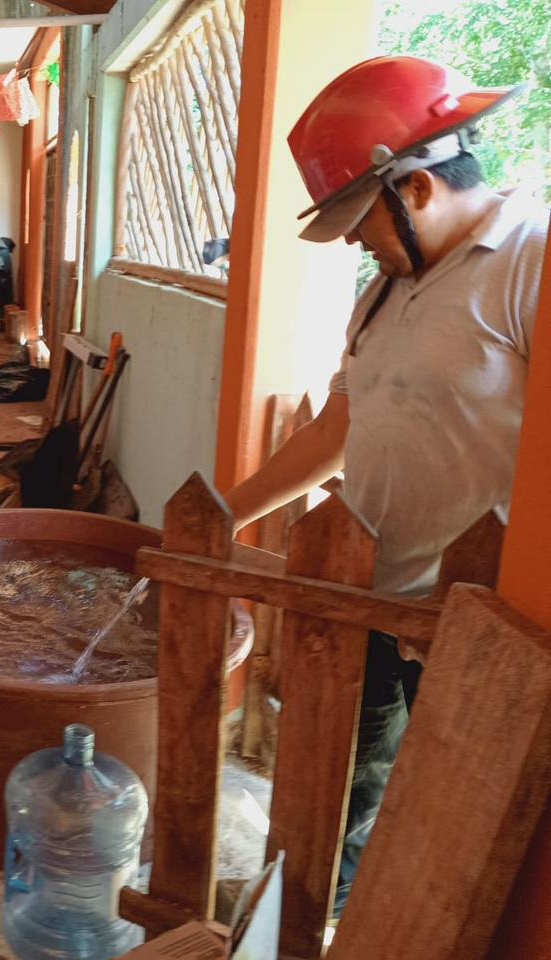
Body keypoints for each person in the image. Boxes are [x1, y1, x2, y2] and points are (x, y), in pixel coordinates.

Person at [223, 56, 546, 914]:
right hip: (366, 602)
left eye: (361, 221)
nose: (357, 243)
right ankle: (321, 919)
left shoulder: (529, 261)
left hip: (471, 625)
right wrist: (226, 517)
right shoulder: (382, 293)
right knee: (341, 796)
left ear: (416, 187)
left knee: (445, 824)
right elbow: (337, 431)